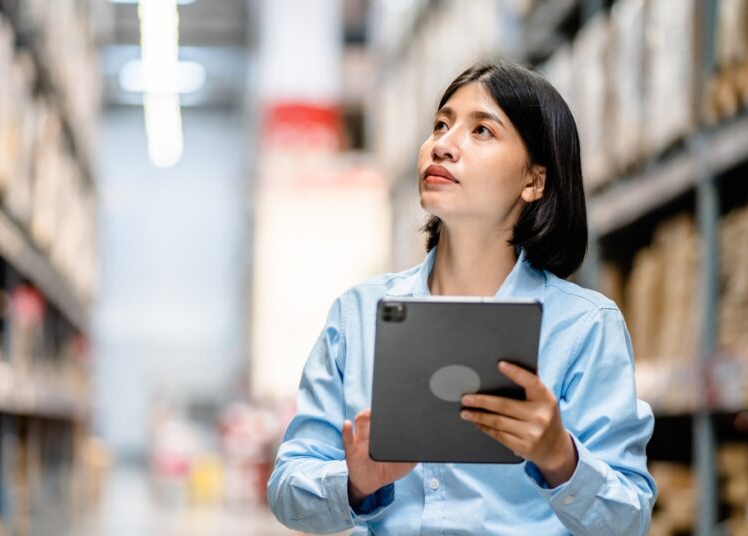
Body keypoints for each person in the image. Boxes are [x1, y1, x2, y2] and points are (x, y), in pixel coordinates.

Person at [267, 61, 656, 535]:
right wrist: (355, 482)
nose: (444, 145)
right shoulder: (357, 315)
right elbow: (287, 489)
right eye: (441, 125)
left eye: (482, 131)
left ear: (534, 180)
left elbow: (629, 519)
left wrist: (561, 457)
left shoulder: (584, 327)